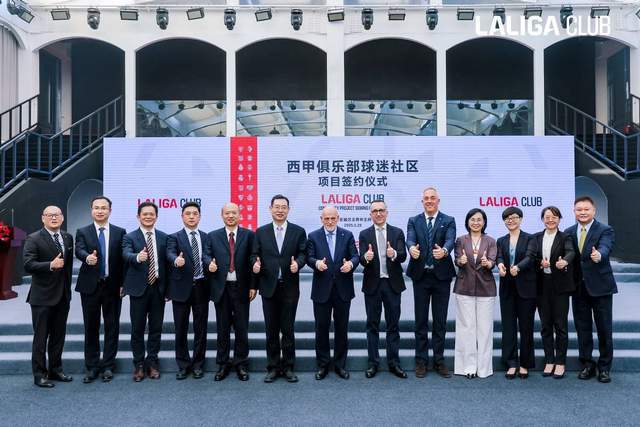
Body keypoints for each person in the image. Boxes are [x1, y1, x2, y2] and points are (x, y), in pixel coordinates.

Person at [251, 194, 307, 383]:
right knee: (271, 330)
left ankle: (289, 367)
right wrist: (254, 264)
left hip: (289, 287)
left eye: (284, 207)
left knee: (288, 329)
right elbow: (254, 254)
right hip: (268, 287)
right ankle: (273, 367)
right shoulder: (261, 232)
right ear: (270, 209)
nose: (280, 210)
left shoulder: (298, 231)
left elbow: (303, 253)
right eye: (277, 207)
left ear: (288, 210)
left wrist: (298, 263)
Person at [566, 196, 617, 383]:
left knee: (604, 329)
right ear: (574, 211)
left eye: (586, 209)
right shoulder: (569, 232)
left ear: (594, 211)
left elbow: (606, 247)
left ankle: (604, 368)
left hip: (601, 287)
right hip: (578, 288)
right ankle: (587, 364)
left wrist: (599, 255)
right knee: (583, 329)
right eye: (579, 209)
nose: (583, 212)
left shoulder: (605, 230)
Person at [75, 196, 126, 383]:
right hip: (90, 287)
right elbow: (79, 250)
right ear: (91, 210)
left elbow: (123, 261)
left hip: (113, 286)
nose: (100, 211)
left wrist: (124, 284)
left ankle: (108, 366)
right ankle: (92, 366)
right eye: (96, 207)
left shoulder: (120, 232)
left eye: (104, 208)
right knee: (91, 326)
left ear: (110, 211)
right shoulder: (83, 231)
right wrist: (87, 257)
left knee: (112, 326)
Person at [406, 187, 456, 378]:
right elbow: (410, 239)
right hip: (421, 276)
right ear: (422, 202)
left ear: (438, 201)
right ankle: (421, 361)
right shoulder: (414, 220)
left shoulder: (448, 220)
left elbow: (450, 240)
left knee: (440, 321)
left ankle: (439, 361)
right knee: (420, 321)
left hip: (441, 277)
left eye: (432, 198)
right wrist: (411, 248)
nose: (429, 201)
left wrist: (444, 251)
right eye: (426, 198)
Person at [23, 206, 74, 388]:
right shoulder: (34, 238)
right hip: (42, 297)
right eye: (50, 215)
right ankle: (39, 374)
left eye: (57, 215)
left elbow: (67, 267)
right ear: (43, 218)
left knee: (58, 336)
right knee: (41, 337)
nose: (54, 218)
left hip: (62, 296)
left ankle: (55, 370)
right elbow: (28, 265)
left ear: (62, 218)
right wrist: (50, 265)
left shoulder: (67, 237)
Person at [306, 206, 359, 380]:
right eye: (326, 218)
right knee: (321, 328)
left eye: (333, 218)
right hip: (322, 290)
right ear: (321, 219)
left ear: (338, 218)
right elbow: (309, 257)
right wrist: (316, 263)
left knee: (341, 328)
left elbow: (355, 256)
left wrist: (350, 264)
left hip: (343, 289)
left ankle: (340, 365)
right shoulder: (313, 236)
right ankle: (323, 365)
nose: (329, 221)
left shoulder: (347, 235)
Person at [358, 199, 408, 379]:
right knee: (372, 325)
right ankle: (373, 363)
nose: (378, 213)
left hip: (392, 284)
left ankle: (394, 363)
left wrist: (394, 254)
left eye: (381, 210)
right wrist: (366, 257)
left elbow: (403, 256)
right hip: (373, 285)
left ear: (387, 212)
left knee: (393, 325)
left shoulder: (397, 232)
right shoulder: (364, 234)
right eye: (375, 211)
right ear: (370, 214)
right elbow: (361, 259)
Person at [206, 202, 255, 382]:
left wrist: (253, 286)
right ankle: (223, 364)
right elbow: (206, 254)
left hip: (242, 288)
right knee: (222, 328)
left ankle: (241, 363)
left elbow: (253, 259)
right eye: (227, 213)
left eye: (234, 213)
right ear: (222, 215)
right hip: (222, 288)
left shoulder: (249, 235)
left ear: (240, 215)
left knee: (242, 328)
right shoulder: (213, 236)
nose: (231, 216)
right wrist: (209, 263)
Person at [122, 201, 168, 382]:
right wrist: (137, 257)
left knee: (156, 328)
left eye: (151, 214)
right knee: (137, 329)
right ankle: (139, 365)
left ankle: (153, 363)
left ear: (156, 217)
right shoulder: (130, 237)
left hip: (158, 288)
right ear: (138, 216)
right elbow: (126, 254)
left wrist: (168, 289)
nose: (148, 217)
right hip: (138, 290)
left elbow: (167, 264)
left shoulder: (164, 237)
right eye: (145, 214)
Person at [166, 202, 210, 381]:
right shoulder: (174, 237)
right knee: (181, 328)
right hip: (181, 289)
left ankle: (198, 364)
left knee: (201, 328)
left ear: (199, 216)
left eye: (195, 213)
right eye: (188, 213)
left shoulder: (207, 237)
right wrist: (175, 260)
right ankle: (183, 364)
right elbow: (169, 253)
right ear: (182, 216)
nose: (191, 216)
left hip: (201, 287)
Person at [453, 208, 497, 379]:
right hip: (464, 287)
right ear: (467, 222)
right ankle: (468, 367)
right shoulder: (460, 240)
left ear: (484, 222)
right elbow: (457, 259)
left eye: (479, 219)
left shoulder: (490, 241)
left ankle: (484, 369)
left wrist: (488, 263)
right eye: (472, 219)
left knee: (485, 329)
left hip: (486, 288)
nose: (476, 222)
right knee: (466, 328)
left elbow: (492, 261)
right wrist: (460, 260)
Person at [532, 206, 575, 379]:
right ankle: (549, 360)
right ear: (543, 219)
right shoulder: (536, 237)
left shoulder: (565, 237)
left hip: (560, 286)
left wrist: (564, 261)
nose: (550, 220)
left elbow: (571, 252)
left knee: (560, 326)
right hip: (542, 285)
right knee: (545, 325)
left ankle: (560, 362)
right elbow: (531, 257)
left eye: (554, 217)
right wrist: (539, 263)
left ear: (559, 219)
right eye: (547, 217)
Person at [495, 207, 537, 380]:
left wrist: (518, 267)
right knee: (508, 327)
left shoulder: (530, 238)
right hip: (507, 288)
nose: (510, 220)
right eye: (507, 218)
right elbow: (498, 256)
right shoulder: (501, 240)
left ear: (520, 219)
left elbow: (530, 257)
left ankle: (525, 364)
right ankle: (511, 363)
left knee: (526, 327)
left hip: (526, 288)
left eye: (513, 217)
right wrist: (500, 265)